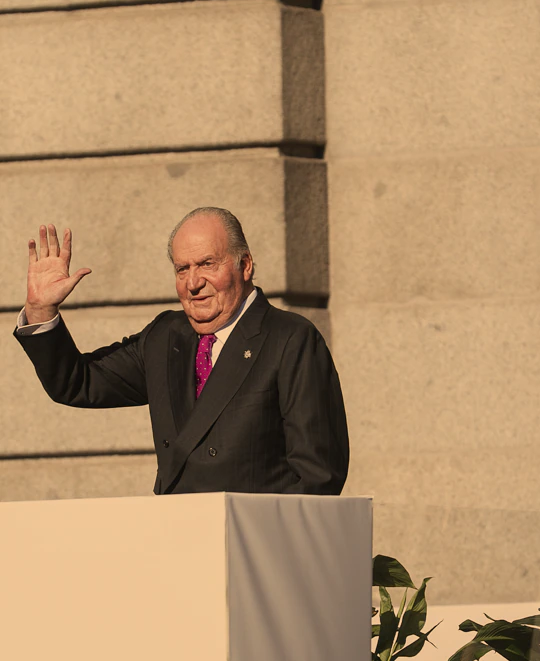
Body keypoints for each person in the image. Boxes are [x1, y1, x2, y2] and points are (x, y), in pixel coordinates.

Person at [13, 207, 349, 495]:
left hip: (249, 540)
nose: (193, 283)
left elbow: (317, 476)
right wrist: (41, 310)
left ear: (245, 265)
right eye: (182, 269)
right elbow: (77, 383)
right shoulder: (165, 336)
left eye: (207, 264)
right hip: (177, 536)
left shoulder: (290, 339)